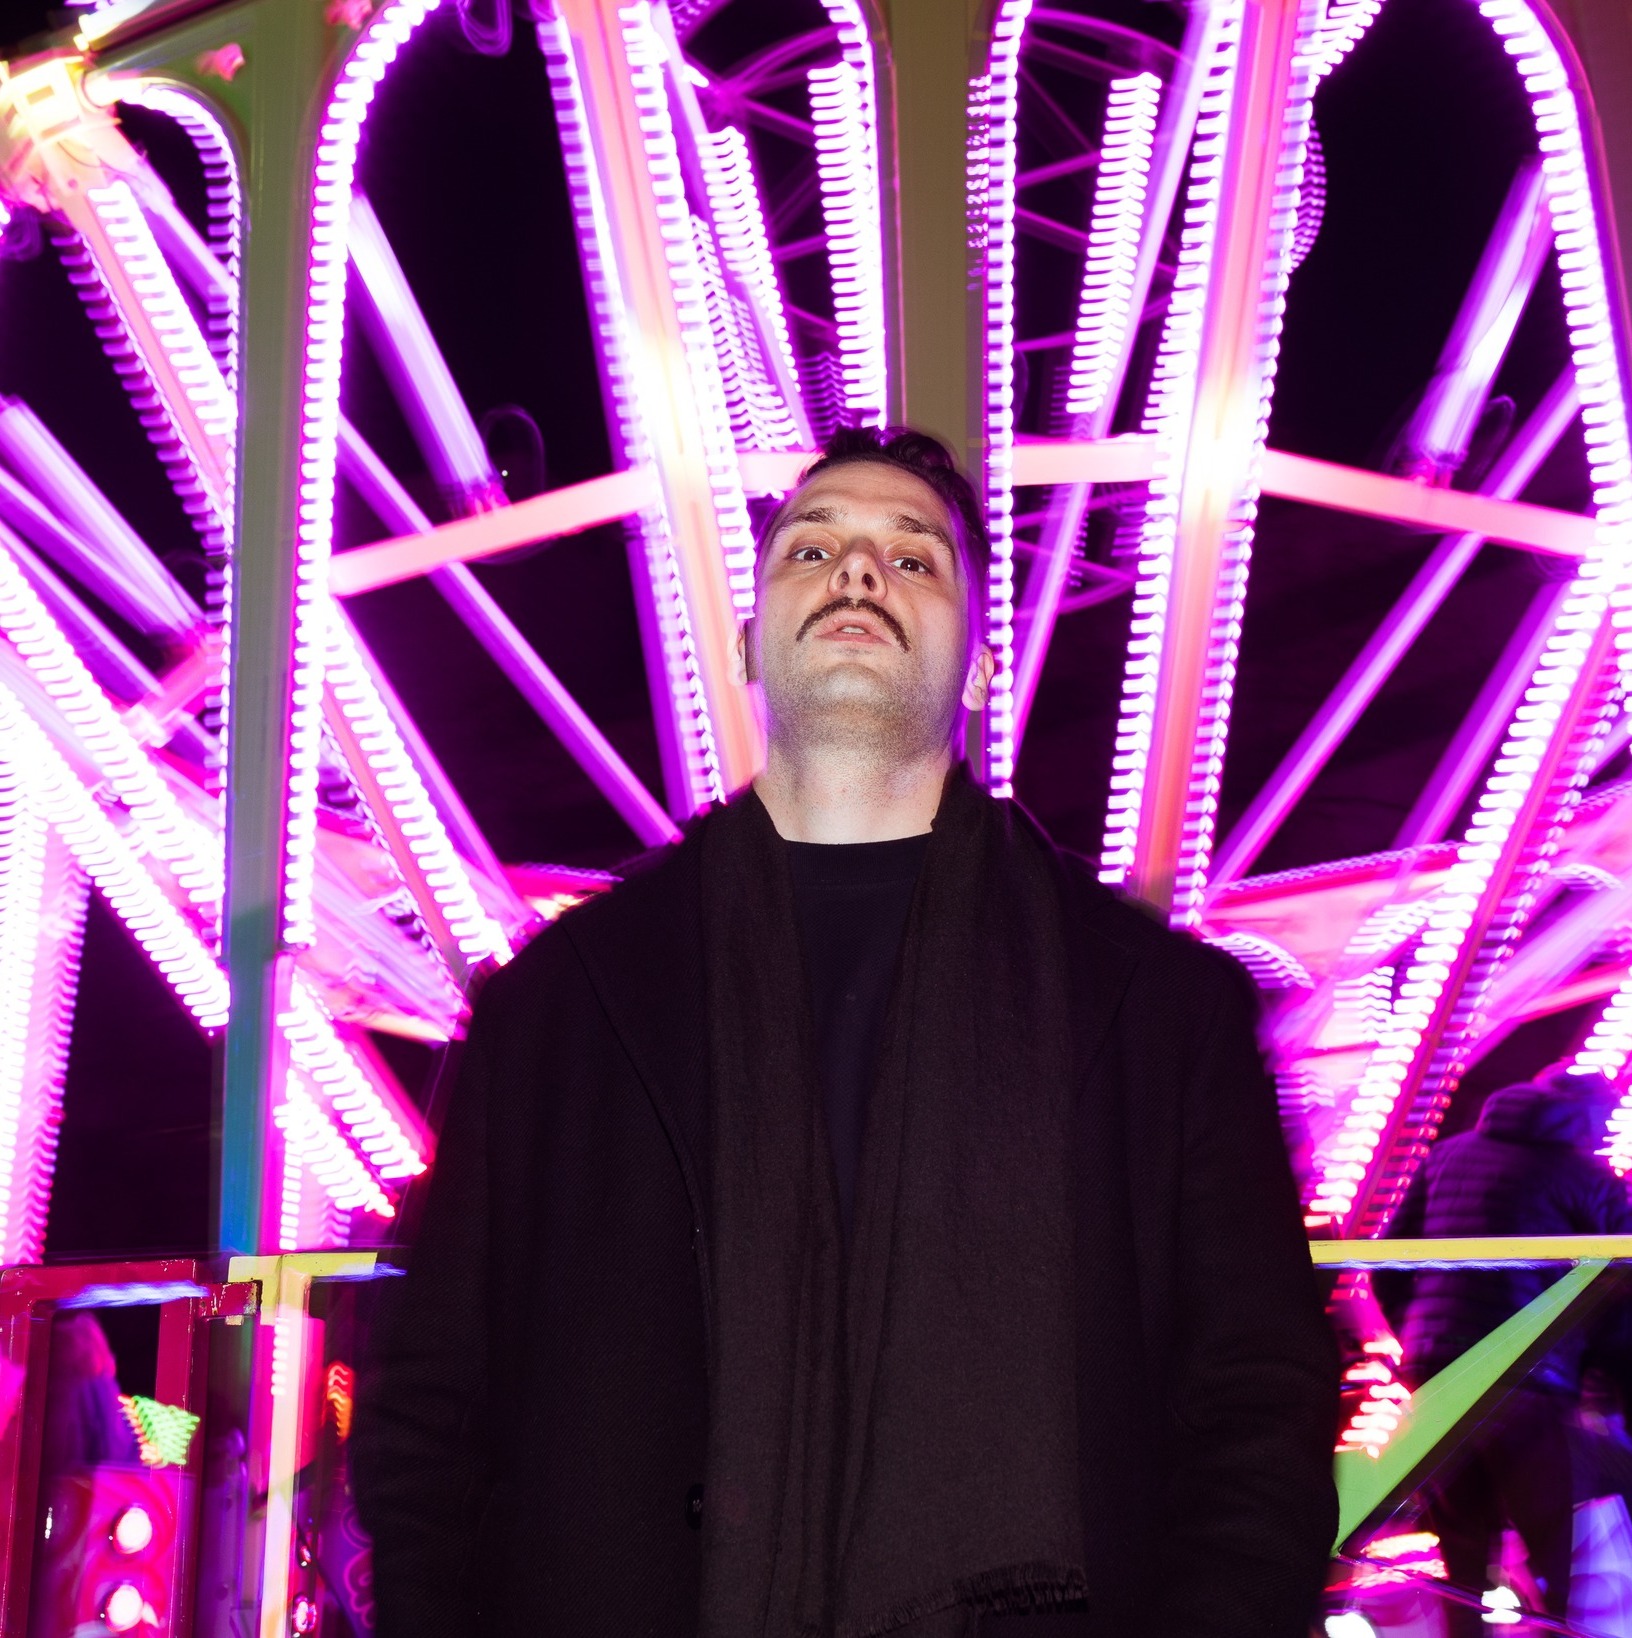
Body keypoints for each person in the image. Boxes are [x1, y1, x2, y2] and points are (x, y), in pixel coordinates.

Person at [353, 426, 1340, 1637]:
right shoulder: (552, 1012)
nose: (859, 571)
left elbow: (1258, 1407)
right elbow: (431, 1406)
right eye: (811, 550)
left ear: (980, 668)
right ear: (746, 643)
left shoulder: (1165, 1016)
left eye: (912, 557)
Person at [1376, 1068, 1632, 1635]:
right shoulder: (1585, 1175)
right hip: (1529, 1378)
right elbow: (1627, 1278)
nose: (1602, 1134)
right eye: (1603, 1120)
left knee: (1462, 1561)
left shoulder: (1445, 1157)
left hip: (1437, 1376)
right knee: (1557, 1560)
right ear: (1584, 1116)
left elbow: (1387, 1261)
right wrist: (1599, 1373)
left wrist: (1423, 1340)